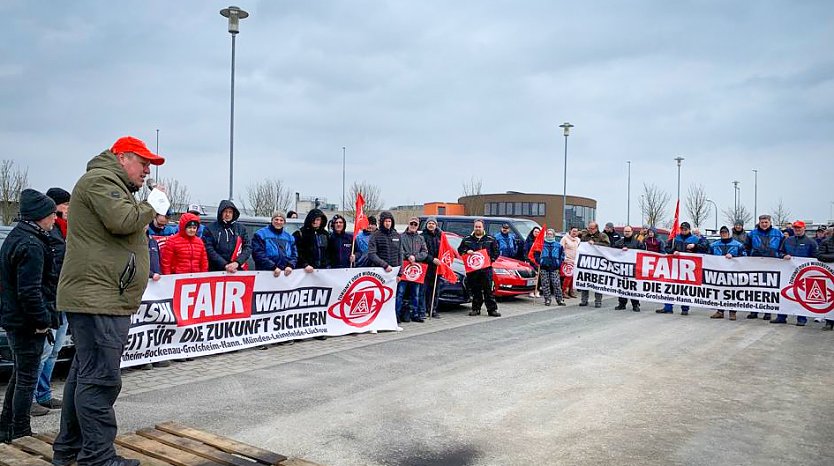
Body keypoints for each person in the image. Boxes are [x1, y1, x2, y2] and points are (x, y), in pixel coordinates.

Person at [54, 136, 165, 466]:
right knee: (100, 380)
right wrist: (153, 204)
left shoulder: (108, 183)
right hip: (99, 298)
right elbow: (123, 221)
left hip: (100, 297)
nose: (147, 170)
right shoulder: (101, 180)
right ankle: (98, 458)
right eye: (143, 162)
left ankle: (69, 450)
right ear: (122, 158)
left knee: (83, 376)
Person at [0, 189, 58, 442]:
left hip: (15, 319)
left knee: (20, 374)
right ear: (40, 216)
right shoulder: (31, 244)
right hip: (25, 322)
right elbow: (29, 290)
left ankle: (6, 426)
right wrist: (42, 322)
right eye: (52, 214)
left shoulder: (19, 236)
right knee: (26, 378)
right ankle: (21, 430)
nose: (55, 218)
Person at [32, 188, 72, 415]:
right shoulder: (46, 233)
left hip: (63, 298)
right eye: (65, 205)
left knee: (55, 350)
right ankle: (30, 398)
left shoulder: (64, 232)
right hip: (50, 299)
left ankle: (44, 394)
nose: (68, 209)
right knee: (43, 352)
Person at [772, 221, 819, 326]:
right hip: (787, 272)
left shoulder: (811, 242)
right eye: (795, 228)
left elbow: (816, 257)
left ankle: (802, 318)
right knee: (784, 293)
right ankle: (781, 316)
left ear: (804, 228)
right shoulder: (787, 240)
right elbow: (779, 252)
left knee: (801, 295)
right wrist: (783, 256)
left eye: (799, 228)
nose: (797, 230)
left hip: (803, 273)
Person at [657, 222, 705, 315]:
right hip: (674, 266)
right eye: (682, 229)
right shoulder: (675, 238)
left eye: (685, 229)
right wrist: (673, 251)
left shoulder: (695, 239)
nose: (683, 231)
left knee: (685, 288)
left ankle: (685, 308)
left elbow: (705, 248)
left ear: (689, 229)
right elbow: (666, 248)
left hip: (688, 267)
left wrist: (695, 246)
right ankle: (668, 307)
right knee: (670, 286)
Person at [457, 219, 501, 317]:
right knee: (475, 290)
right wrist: (466, 251)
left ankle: (492, 310)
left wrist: (491, 260)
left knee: (488, 290)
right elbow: (460, 250)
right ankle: (476, 309)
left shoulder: (490, 239)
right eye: (476, 227)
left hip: (486, 269)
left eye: (479, 227)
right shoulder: (467, 239)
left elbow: (496, 252)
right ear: (474, 227)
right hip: (473, 270)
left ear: (483, 227)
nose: (477, 228)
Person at [367, 212, 403, 329]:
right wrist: (384, 265)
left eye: (389, 221)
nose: (388, 223)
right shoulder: (375, 235)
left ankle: (391, 323)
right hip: (380, 272)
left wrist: (400, 272)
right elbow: (372, 254)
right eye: (385, 221)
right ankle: (373, 324)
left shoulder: (397, 235)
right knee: (377, 298)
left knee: (391, 299)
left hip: (393, 274)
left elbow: (400, 254)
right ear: (381, 222)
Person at [745, 214, 784, 320]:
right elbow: (746, 247)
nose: (764, 224)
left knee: (769, 288)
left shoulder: (778, 233)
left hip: (772, 263)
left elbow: (782, 247)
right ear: (759, 222)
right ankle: (754, 311)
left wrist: (780, 255)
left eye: (766, 222)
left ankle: (768, 311)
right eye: (762, 222)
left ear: (770, 222)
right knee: (754, 288)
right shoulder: (752, 233)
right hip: (755, 263)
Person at [709, 226, 746, 320]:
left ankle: (732, 312)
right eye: (722, 232)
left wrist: (734, 256)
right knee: (719, 291)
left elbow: (745, 257)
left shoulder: (738, 245)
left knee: (733, 292)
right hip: (719, 273)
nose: (723, 234)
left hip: (733, 273)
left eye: (725, 232)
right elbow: (708, 257)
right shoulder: (714, 245)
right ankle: (720, 311)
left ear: (729, 233)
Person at [203, 200, 251, 273]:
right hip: (216, 271)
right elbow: (209, 249)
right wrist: (225, 265)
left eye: (230, 212)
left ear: (233, 213)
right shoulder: (210, 228)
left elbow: (248, 247)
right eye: (225, 211)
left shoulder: (241, 229)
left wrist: (237, 263)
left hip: (237, 270)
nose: (227, 214)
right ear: (221, 213)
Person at [398, 217, 428, 322]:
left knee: (416, 293)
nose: (413, 226)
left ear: (418, 226)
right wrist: (408, 256)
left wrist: (416, 257)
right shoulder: (401, 237)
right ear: (408, 224)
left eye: (415, 224)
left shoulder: (420, 238)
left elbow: (425, 252)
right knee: (400, 292)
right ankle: (397, 314)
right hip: (404, 268)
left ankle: (415, 314)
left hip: (416, 270)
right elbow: (399, 250)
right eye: (412, 223)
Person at [252, 211, 297, 276]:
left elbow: (294, 255)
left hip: (284, 275)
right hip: (265, 273)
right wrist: (273, 267)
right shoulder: (261, 234)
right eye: (276, 219)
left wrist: (290, 265)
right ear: (272, 220)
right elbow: (258, 254)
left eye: (281, 220)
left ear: (284, 222)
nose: (278, 222)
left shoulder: (290, 237)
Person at [579, 221, 610, 307]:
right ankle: (584, 300)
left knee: (598, 282)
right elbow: (580, 246)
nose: (590, 230)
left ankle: (598, 301)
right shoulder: (585, 237)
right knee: (585, 281)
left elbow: (607, 246)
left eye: (592, 229)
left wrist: (595, 244)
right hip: (587, 262)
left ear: (596, 228)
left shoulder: (602, 236)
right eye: (589, 228)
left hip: (598, 263)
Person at [613, 226, 644, 311]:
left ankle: (635, 304)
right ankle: (622, 304)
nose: (626, 233)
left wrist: (630, 250)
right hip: (622, 269)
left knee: (633, 287)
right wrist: (620, 250)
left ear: (632, 232)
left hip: (633, 269)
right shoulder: (618, 243)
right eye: (625, 231)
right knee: (622, 286)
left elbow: (643, 252)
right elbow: (612, 253)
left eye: (628, 231)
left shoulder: (637, 243)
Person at [533, 229, 565, 307]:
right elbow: (536, 254)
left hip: (554, 267)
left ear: (553, 235)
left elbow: (562, 255)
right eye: (547, 234)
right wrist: (539, 261)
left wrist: (559, 263)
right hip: (544, 267)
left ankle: (559, 299)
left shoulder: (558, 245)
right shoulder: (541, 244)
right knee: (545, 284)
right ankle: (547, 299)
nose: (549, 235)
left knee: (556, 284)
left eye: (550, 234)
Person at [421, 217, 444, 318]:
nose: (431, 225)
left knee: (435, 290)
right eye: (429, 223)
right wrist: (431, 259)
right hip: (426, 266)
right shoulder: (422, 236)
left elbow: (444, 250)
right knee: (424, 290)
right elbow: (422, 252)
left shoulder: (440, 236)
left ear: (436, 225)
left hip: (437, 267)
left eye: (433, 223)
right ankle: (423, 310)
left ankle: (433, 309)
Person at [817, 232, 834, 330]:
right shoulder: (826, 242)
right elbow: (820, 255)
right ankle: (829, 321)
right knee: (829, 299)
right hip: (830, 275)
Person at [559, 227, 580, 298]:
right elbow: (560, 249)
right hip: (567, 260)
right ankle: (564, 291)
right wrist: (563, 258)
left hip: (575, 261)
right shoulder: (565, 238)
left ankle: (571, 291)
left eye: (576, 231)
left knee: (573, 277)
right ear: (570, 231)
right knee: (568, 277)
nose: (574, 232)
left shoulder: (578, 240)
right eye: (573, 231)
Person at [524, 226, 542, 298]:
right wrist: (527, 260)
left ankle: (537, 290)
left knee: (539, 276)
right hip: (530, 259)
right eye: (535, 231)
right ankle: (531, 291)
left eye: (538, 232)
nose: (536, 233)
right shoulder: (528, 240)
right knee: (533, 275)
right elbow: (525, 250)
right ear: (532, 232)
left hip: (538, 260)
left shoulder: (540, 241)